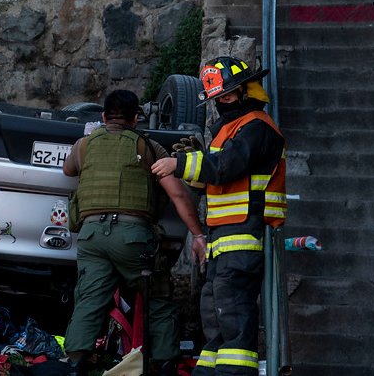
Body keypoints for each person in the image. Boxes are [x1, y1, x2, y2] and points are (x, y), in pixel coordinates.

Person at [151, 56, 287, 376]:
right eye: (218, 99)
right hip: (223, 241)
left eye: (226, 96)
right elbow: (214, 177)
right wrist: (191, 163)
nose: (222, 103)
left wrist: (179, 165)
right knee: (215, 314)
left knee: (234, 316)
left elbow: (226, 167)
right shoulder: (231, 130)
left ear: (244, 92)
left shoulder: (256, 126)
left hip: (243, 237)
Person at [63, 90, 207, 375]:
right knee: (157, 298)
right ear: (136, 119)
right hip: (133, 237)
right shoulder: (151, 148)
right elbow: (177, 195)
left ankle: (76, 363)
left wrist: (89, 140)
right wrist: (198, 235)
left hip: (91, 236)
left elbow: (69, 170)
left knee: (89, 300)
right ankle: (166, 363)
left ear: (103, 116)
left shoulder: (84, 145)